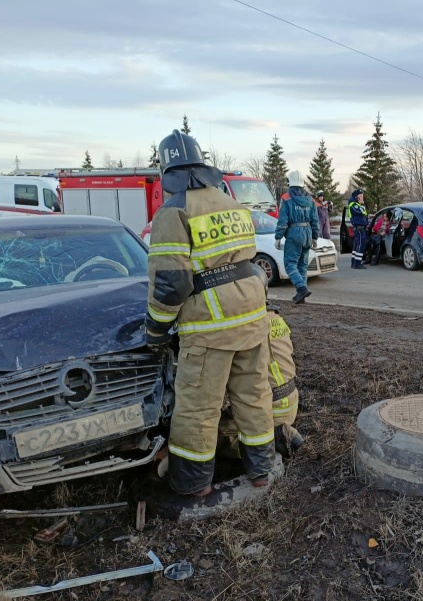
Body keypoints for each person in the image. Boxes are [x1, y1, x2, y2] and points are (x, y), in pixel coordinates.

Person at [145, 129, 275, 497]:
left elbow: (170, 283)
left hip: (210, 327)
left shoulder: (173, 212)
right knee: (254, 395)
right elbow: (246, 263)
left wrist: (156, 330)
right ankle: (261, 471)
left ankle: (193, 485)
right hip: (252, 317)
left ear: (167, 171)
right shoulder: (233, 205)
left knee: (198, 408)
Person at [217, 305, 304, 461]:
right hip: (290, 402)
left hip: (267, 408)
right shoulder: (274, 316)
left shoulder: (245, 324)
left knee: (213, 435)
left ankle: (272, 442)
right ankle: (278, 431)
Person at [274, 171, 320, 304]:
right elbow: (315, 220)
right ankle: (302, 296)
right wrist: (315, 237)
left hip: (294, 233)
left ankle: (301, 289)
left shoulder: (287, 198)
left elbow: (283, 220)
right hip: (307, 233)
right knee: (302, 266)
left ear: (290, 182)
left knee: (290, 264)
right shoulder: (310, 199)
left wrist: (278, 237)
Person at [347, 189, 369, 269]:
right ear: (357, 197)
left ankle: (354, 262)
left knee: (356, 245)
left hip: (360, 228)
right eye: (361, 196)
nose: (362, 198)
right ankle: (357, 264)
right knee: (360, 245)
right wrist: (362, 204)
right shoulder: (353, 205)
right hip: (359, 228)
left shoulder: (357, 204)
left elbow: (363, 214)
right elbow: (360, 212)